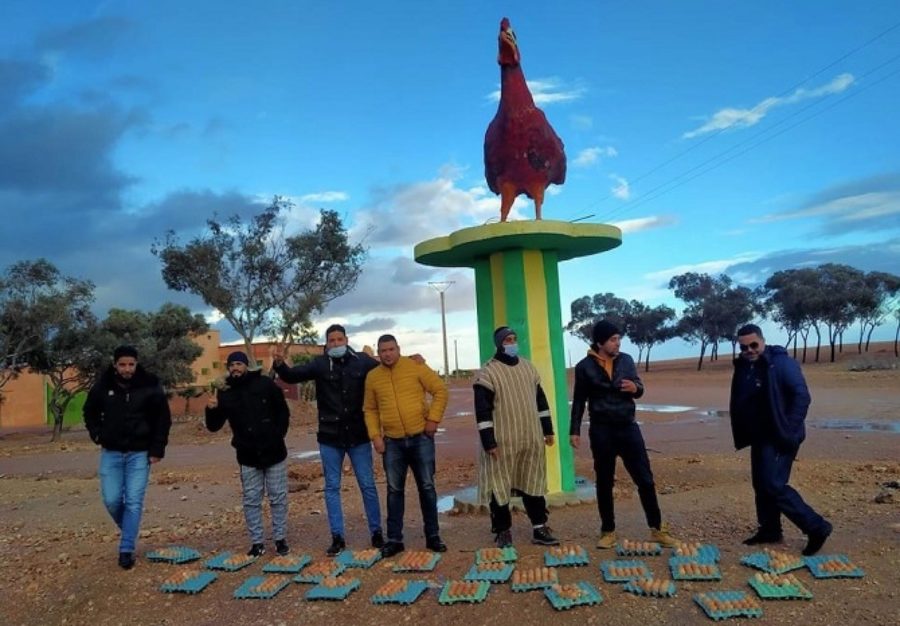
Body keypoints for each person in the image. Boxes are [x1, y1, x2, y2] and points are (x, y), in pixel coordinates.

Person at [273, 324, 384, 557]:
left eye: (338, 339)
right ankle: (337, 537)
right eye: (331, 340)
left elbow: (387, 367)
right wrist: (280, 364)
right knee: (332, 487)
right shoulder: (319, 364)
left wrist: (412, 360)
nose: (335, 344)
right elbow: (292, 376)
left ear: (346, 339)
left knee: (367, 485)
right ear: (326, 343)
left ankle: (376, 533)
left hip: (358, 436)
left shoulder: (362, 361)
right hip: (329, 438)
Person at [570, 320, 677, 549]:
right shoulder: (584, 367)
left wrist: (635, 389)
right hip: (601, 430)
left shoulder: (626, 360)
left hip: (628, 427)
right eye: (613, 339)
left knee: (645, 480)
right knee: (604, 482)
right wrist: (574, 431)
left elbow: (639, 387)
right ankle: (608, 531)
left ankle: (657, 529)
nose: (618, 343)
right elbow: (579, 400)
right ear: (600, 342)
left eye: (619, 339)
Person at [729, 324, 832, 555]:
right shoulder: (745, 365)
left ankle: (817, 527)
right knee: (761, 485)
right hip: (760, 435)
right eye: (744, 347)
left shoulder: (782, 363)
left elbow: (802, 397)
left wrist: (788, 429)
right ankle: (770, 530)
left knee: (773, 484)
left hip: (780, 435)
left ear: (763, 341)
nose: (749, 350)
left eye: (754, 345)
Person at [84, 345, 171, 570]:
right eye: (122, 364)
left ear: (136, 363)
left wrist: (156, 449)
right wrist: (97, 434)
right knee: (112, 500)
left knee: (133, 500)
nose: (127, 369)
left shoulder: (150, 384)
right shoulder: (103, 386)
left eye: (131, 364)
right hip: (111, 453)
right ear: (115, 364)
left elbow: (163, 418)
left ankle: (126, 549)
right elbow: (89, 411)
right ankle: (130, 532)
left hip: (139, 454)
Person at [473, 326, 559, 548]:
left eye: (514, 339)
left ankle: (540, 528)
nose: (512, 343)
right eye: (507, 340)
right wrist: (489, 442)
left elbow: (541, 402)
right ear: (499, 343)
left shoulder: (529, 368)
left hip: (530, 439)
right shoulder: (488, 373)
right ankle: (503, 531)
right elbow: (482, 412)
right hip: (502, 442)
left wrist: (548, 430)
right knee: (499, 487)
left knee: (533, 483)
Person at [364, 334, 449, 557]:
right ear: (378, 353)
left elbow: (440, 390)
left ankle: (433, 536)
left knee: (427, 488)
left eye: (391, 349)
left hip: (421, 438)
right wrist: (375, 436)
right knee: (394, 491)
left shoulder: (415, 366)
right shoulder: (373, 377)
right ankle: (394, 540)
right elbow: (370, 410)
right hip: (392, 443)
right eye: (383, 350)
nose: (388, 354)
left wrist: (433, 420)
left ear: (398, 349)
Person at [205, 350, 291, 557]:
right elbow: (214, 427)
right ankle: (257, 543)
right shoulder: (224, 392)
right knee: (251, 500)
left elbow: (282, 411)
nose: (235, 368)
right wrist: (212, 409)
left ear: (246, 366)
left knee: (278, 498)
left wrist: (277, 434)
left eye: (239, 364)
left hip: (274, 452)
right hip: (247, 455)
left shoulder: (265, 384)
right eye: (231, 364)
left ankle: (280, 539)